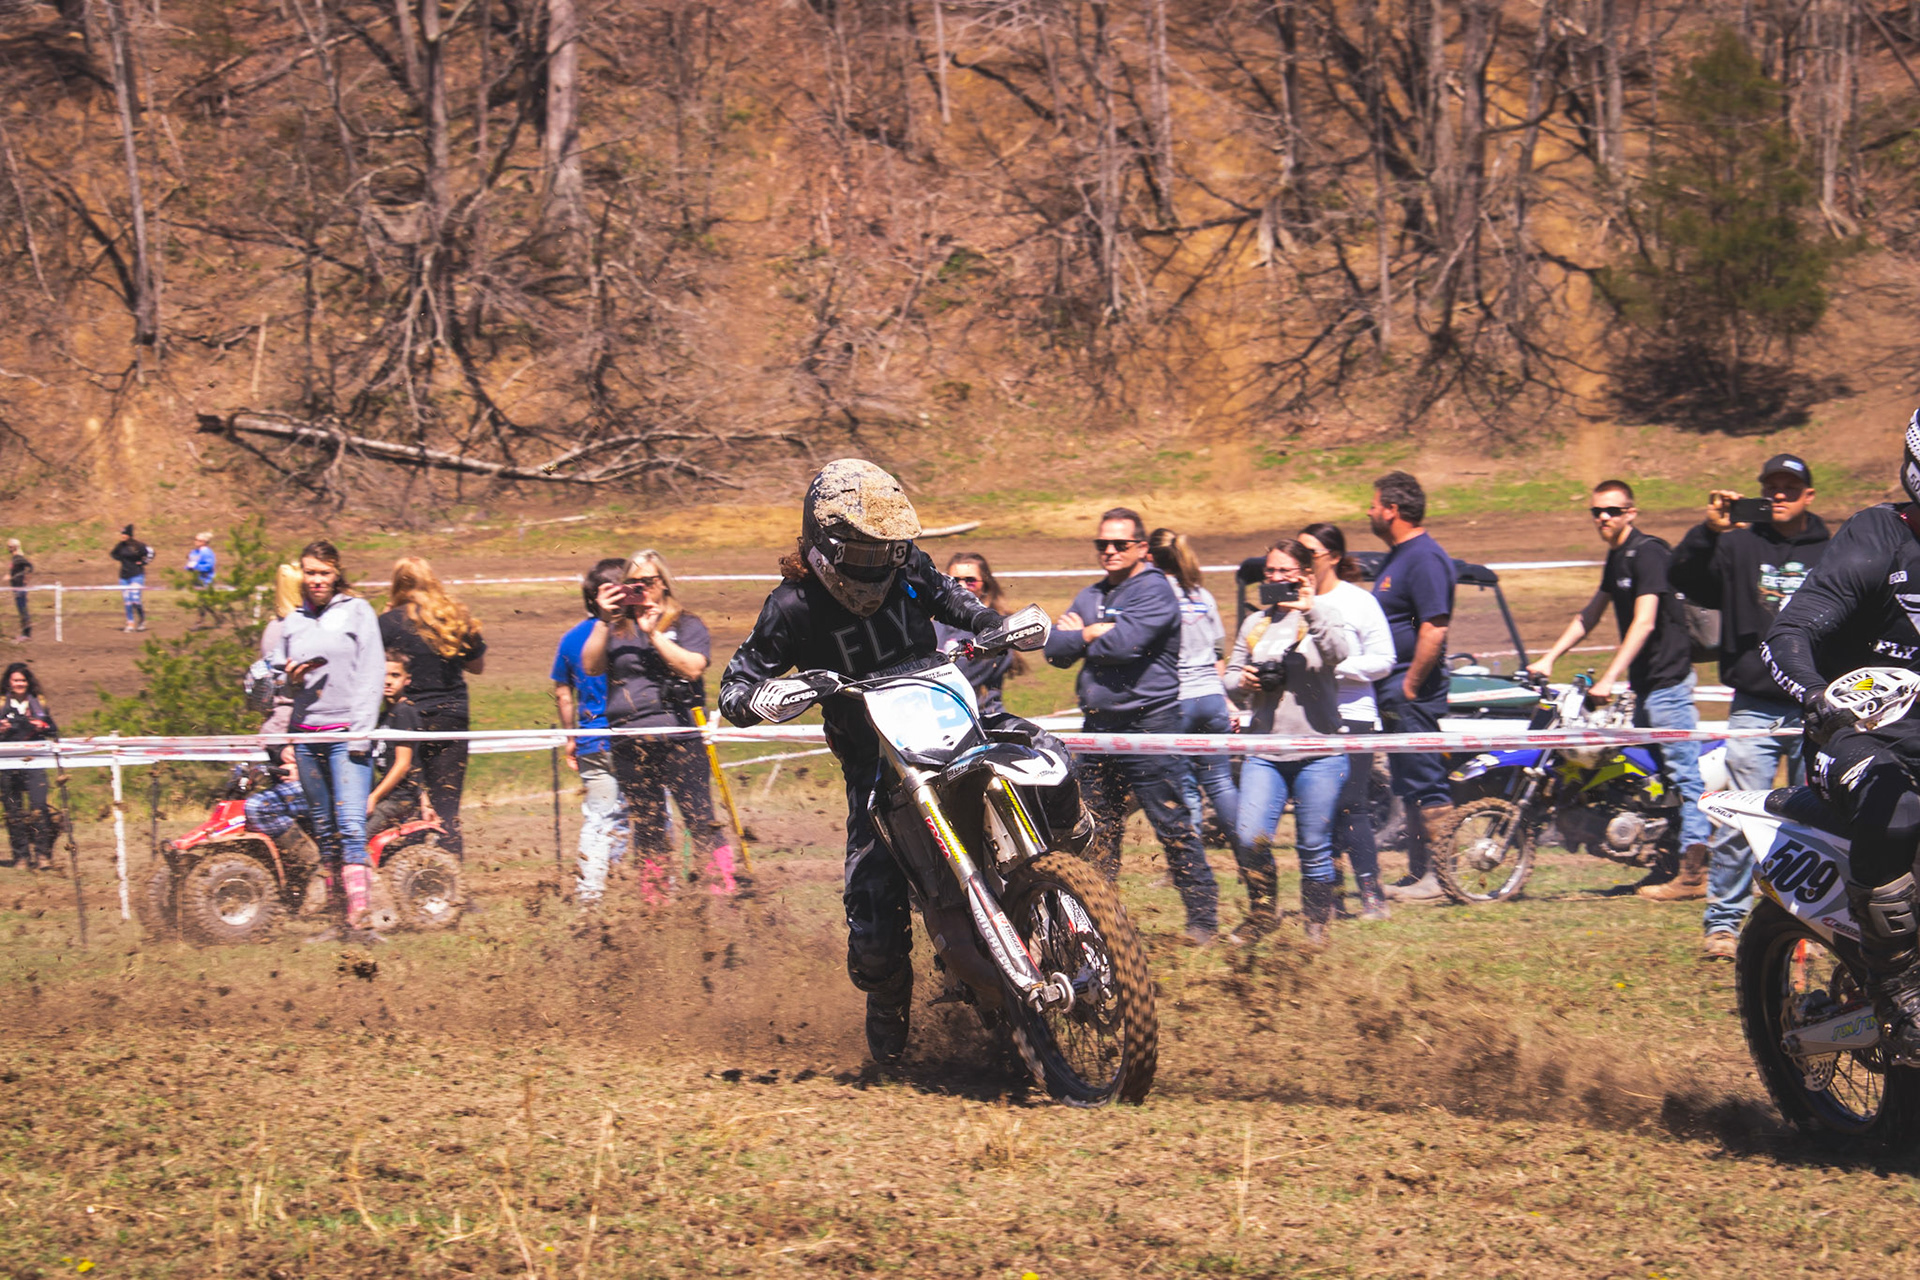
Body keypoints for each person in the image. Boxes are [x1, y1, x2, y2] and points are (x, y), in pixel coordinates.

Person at [720, 459, 1088, 1064]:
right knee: (872, 918)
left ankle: (1071, 864)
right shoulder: (791, 607)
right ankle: (888, 1008)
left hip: (949, 722)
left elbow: (952, 598)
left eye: (886, 552)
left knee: (1046, 751)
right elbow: (734, 686)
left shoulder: (905, 565)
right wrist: (764, 697)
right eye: (864, 553)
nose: (879, 566)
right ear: (824, 547)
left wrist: (993, 625)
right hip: (877, 764)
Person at [1665, 454, 1829, 955]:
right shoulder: (1737, 543)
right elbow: (1684, 578)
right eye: (1771, 486)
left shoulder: (1831, 548)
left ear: (1808, 495)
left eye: (1790, 487)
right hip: (1754, 704)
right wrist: (1707, 533)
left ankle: (1811, 927)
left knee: (1817, 823)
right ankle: (1723, 923)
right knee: (1740, 819)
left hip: (1813, 706)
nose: (1779, 495)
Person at [1045, 508, 1219, 942]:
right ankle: (1100, 922)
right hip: (1097, 729)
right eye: (1102, 543)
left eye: (1120, 544)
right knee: (1095, 829)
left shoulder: (1156, 591)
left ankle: (1203, 920)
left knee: (1171, 823)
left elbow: (1125, 644)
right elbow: (1054, 650)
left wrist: (1082, 634)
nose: (1109, 550)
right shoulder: (1091, 594)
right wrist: (1088, 634)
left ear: (1141, 547)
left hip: (1149, 726)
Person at [1528, 479, 1710, 892]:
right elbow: (1589, 615)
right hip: (1645, 688)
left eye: (1612, 510)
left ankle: (1694, 872)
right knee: (1650, 781)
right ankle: (1665, 861)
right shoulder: (1618, 557)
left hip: (1668, 685)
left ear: (1631, 512)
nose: (1603, 518)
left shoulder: (1649, 553)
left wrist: (1610, 677)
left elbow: (1644, 622)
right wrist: (1548, 657)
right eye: (1597, 512)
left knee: (1684, 778)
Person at [583, 549, 736, 903]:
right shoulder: (615, 627)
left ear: (663, 583)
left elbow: (693, 667)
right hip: (629, 740)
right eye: (632, 583)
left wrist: (653, 635)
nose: (641, 589)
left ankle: (721, 891)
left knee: (700, 818)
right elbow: (590, 667)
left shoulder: (685, 623)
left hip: (680, 737)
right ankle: (655, 903)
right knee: (647, 825)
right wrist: (603, 619)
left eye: (648, 581)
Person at [1227, 540, 1354, 946]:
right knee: (1250, 837)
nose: (1276, 578)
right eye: (1270, 571)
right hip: (1265, 750)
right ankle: (1262, 913)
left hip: (1320, 750)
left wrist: (1310, 609)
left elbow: (1338, 654)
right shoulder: (1255, 622)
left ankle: (1316, 925)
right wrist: (1241, 681)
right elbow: (1229, 676)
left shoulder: (1326, 613)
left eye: (1286, 571)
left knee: (1313, 845)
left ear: (1305, 574)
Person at [276, 540, 384, 935]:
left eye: (324, 572)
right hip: (307, 736)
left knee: (351, 825)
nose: (317, 580)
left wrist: (361, 733)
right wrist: (288, 680)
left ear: (337, 573)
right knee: (324, 829)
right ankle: (338, 919)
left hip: (347, 735)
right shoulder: (292, 622)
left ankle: (360, 920)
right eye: (310, 572)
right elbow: (276, 686)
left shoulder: (358, 611)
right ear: (301, 574)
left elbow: (372, 672)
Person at [1299, 521, 1397, 921]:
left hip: (1353, 716)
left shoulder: (1358, 601)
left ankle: (1373, 897)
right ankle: (1332, 897)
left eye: (1310, 554)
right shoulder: (1292, 603)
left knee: (1350, 805)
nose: (1302, 562)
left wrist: (1335, 667)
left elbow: (1384, 660)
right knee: (1316, 809)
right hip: (1307, 720)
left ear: (1334, 557)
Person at [1367, 472, 1457, 902]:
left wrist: (1410, 685)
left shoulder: (1425, 558)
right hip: (1395, 691)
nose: (1368, 512)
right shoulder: (1399, 556)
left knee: (1427, 779)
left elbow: (1434, 627)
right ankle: (1420, 872)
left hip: (1412, 694)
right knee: (1408, 782)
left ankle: (1441, 878)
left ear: (1392, 510)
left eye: (1373, 505)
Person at [1146, 529, 1247, 877]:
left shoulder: (1154, 596)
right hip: (1211, 699)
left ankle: (1188, 869)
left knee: (1184, 786)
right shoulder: (1203, 595)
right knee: (1221, 784)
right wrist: (1224, 699)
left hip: (1178, 701)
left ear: (1148, 557)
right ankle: (1250, 861)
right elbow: (1219, 654)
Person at [378, 557, 486, 861]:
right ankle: (451, 875)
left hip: (406, 720)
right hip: (450, 717)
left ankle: (408, 869)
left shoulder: (387, 622)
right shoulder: (453, 618)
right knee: (447, 805)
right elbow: (477, 666)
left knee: (406, 801)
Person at [552, 558, 632, 907]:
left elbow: (563, 692)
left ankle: (591, 893)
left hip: (592, 739)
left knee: (599, 817)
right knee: (648, 813)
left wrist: (571, 737)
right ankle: (652, 887)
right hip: (633, 736)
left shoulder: (571, 638)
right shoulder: (634, 633)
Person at [934, 552, 1022, 716]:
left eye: (970, 580)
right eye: (954, 581)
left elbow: (963, 676)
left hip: (983, 718)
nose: (962, 586)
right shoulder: (934, 625)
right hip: (944, 718)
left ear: (985, 586)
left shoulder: (995, 629)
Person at [0, 663, 58, 870]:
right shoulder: (1, 704)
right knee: (13, 810)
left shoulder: (39, 703)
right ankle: (21, 857)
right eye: (16, 680)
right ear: (9, 682)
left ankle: (43, 854)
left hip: (34, 760)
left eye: (23, 680)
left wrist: (41, 725)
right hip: (6, 763)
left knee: (39, 806)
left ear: (28, 682)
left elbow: (53, 729)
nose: (20, 684)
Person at [366, 652, 424, 838]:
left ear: (407, 680)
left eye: (395, 675)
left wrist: (374, 797)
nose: (388, 681)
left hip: (399, 799)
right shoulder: (385, 716)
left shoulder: (404, 712)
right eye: (383, 675)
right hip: (388, 795)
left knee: (357, 836)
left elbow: (403, 764)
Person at [110, 524, 153, 632]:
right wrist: (122, 560)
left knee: (135, 600)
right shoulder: (120, 546)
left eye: (125, 534)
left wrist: (143, 563)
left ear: (129, 535)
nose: (122, 536)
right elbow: (113, 554)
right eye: (122, 534)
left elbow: (151, 553)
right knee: (127, 601)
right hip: (124, 577)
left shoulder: (138, 546)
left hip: (136, 575)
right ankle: (130, 623)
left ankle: (142, 620)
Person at [8, 538, 31, 643]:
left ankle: (26, 634)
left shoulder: (18, 558)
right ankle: (25, 634)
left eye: (10, 546)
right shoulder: (14, 558)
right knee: (21, 610)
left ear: (15, 547)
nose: (8, 548)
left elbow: (30, 566)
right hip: (16, 588)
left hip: (20, 588)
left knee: (23, 610)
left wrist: (26, 579)